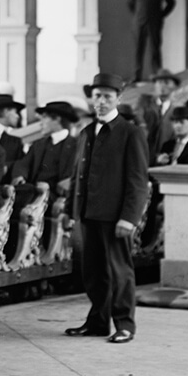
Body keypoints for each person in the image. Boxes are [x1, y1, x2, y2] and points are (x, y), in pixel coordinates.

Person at [67, 72, 151, 344]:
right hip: (88, 213)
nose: (101, 102)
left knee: (119, 271)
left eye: (107, 96)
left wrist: (129, 218)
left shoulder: (130, 133)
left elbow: (138, 180)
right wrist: (72, 212)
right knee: (92, 271)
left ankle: (125, 324)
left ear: (118, 98)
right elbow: (77, 174)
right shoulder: (87, 132)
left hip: (115, 217)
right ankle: (97, 322)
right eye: (97, 96)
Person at [127, 0, 177, 80]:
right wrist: (138, 16)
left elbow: (171, 2)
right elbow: (130, 3)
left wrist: (161, 15)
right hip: (139, 24)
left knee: (155, 49)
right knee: (138, 50)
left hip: (155, 23)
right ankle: (136, 76)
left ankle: (157, 75)